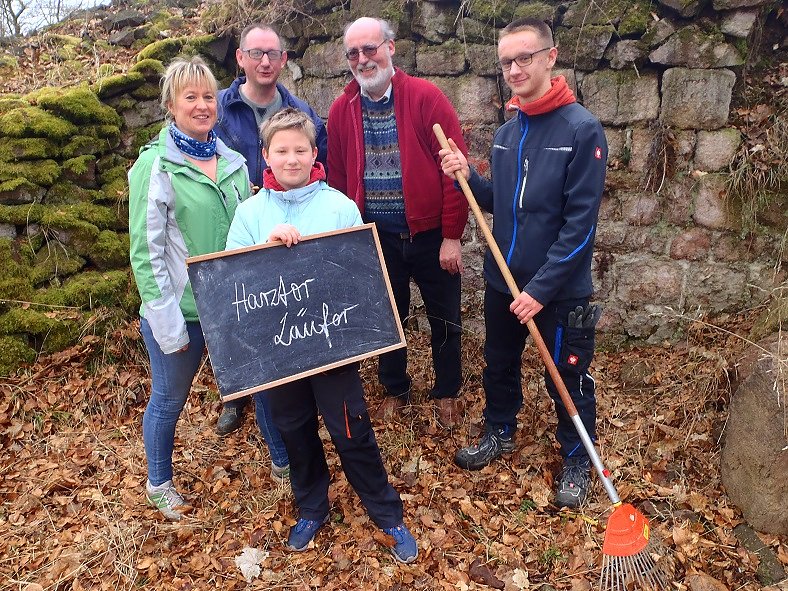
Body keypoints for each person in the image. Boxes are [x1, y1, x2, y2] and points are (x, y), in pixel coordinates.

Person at [225, 108, 418, 564]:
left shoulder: (339, 207)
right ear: (266, 158)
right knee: (294, 431)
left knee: (351, 430)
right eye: (281, 151)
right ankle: (313, 505)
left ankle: (385, 510)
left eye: (300, 150)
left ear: (314, 153)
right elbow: (230, 277)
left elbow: (359, 273)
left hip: (332, 348)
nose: (291, 159)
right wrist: (263, 248)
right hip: (278, 354)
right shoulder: (251, 213)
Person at [439, 18, 607, 508]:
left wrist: (541, 290)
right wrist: (464, 175)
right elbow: (499, 203)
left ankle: (577, 457)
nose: (514, 68)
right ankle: (499, 430)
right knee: (499, 362)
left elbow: (580, 227)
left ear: (550, 57)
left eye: (524, 58)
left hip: (558, 288)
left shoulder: (582, 130)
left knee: (569, 374)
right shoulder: (507, 133)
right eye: (507, 61)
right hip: (503, 279)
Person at [327, 17, 469, 428]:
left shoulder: (426, 98)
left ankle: (447, 391)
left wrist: (452, 237)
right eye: (353, 53)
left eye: (369, 49)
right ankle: (395, 387)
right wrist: (348, 239)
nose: (362, 59)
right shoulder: (342, 109)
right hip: (377, 236)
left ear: (391, 48)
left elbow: (454, 172)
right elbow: (336, 179)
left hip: (429, 235)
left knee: (445, 318)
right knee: (388, 317)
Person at [128, 56, 251, 520]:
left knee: (259, 385)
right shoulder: (155, 167)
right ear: (171, 106)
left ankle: (283, 463)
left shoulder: (233, 161)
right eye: (190, 98)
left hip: (233, 303)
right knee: (168, 398)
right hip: (183, 309)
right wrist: (166, 322)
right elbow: (146, 252)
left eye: (207, 97)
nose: (202, 106)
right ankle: (158, 482)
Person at [213, 22, 328, 438]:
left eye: (273, 54)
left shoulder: (300, 109)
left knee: (281, 307)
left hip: (287, 219)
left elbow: (319, 160)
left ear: (283, 60)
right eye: (256, 53)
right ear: (240, 58)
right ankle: (236, 393)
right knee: (241, 301)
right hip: (236, 217)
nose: (265, 61)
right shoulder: (220, 109)